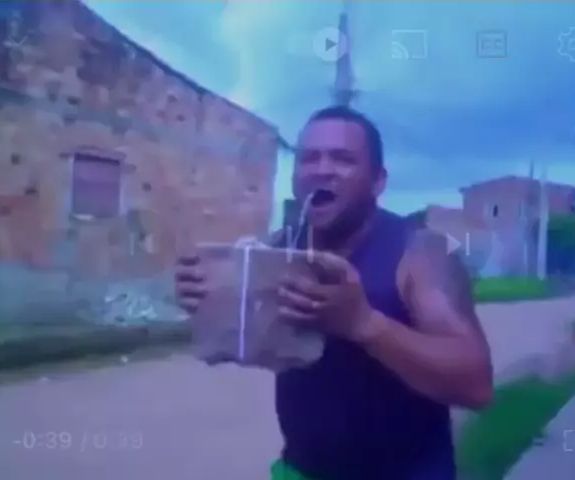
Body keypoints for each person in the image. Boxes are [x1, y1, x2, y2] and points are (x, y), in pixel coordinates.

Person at [176, 106, 493, 480]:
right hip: (299, 470)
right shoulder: (281, 247)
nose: (321, 170)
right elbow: (253, 341)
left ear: (377, 181)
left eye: (343, 159)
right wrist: (213, 302)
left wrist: (363, 323)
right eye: (308, 158)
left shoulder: (421, 252)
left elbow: (476, 385)